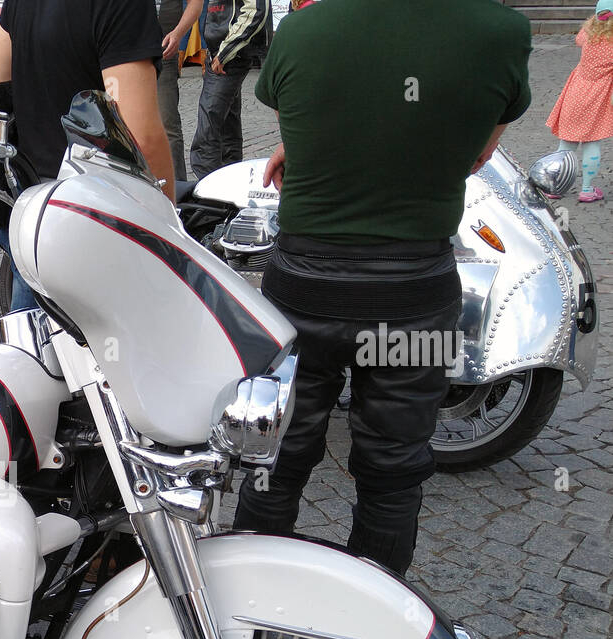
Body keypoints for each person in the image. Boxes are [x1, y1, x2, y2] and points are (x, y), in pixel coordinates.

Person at [230, 0, 532, 576]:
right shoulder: (501, 30)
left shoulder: (304, 29)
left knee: (278, 453)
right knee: (394, 468)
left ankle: (248, 617)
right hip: (416, 294)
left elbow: (312, 110)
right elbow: (475, 154)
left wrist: (322, 150)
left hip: (302, 289)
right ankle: (376, 629)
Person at [0, 0, 175, 312]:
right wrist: (169, 229)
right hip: (96, 218)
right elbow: (141, 137)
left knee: (36, 344)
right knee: (110, 350)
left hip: (30, 207)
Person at [188, 0, 270, 179]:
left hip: (230, 54)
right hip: (223, 51)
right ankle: (227, 190)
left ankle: (210, 195)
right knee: (226, 128)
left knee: (208, 131)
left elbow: (257, 9)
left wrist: (225, 52)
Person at [548, 0, 613, 203]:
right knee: (592, 141)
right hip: (598, 97)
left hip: (576, 93)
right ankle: (586, 189)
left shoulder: (587, 35)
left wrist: (595, 21)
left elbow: (578, 39)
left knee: (566, 144)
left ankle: (556, 186)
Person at [156, 0, 202, 183]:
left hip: (163, 53)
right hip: (126, 54)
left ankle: (178, 190)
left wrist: (178, 33)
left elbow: (196, 3)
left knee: (168, 125)